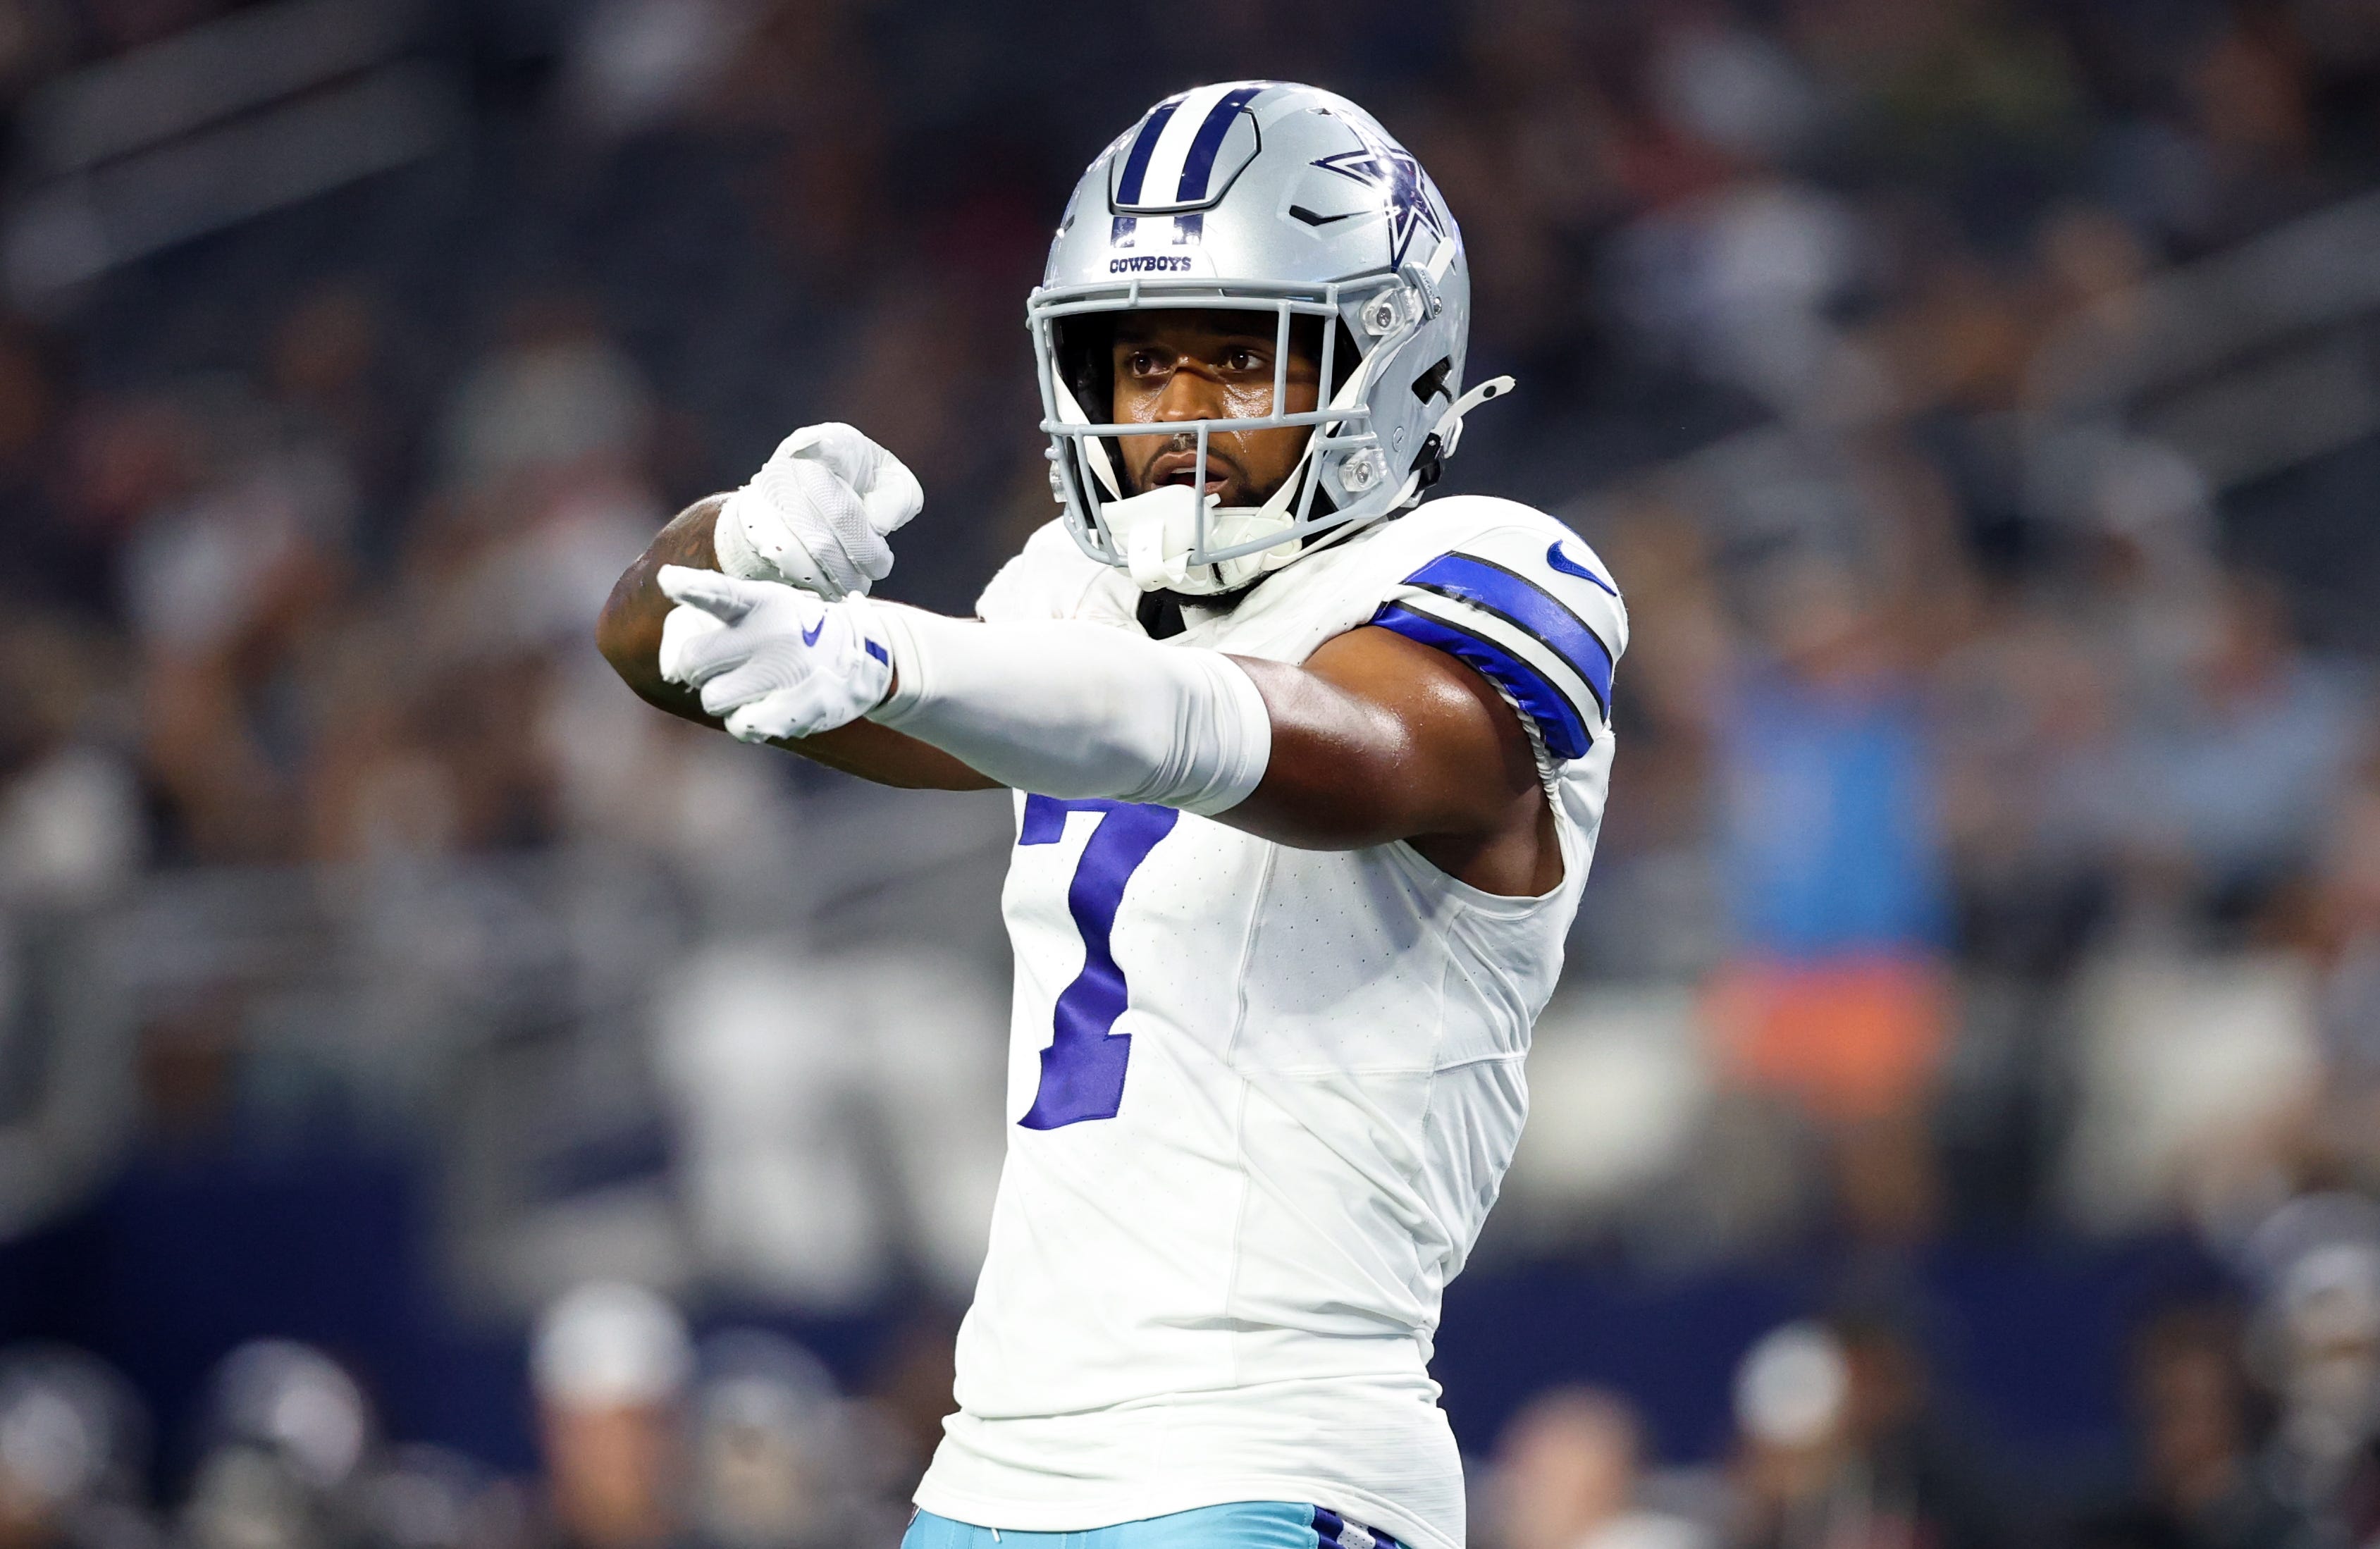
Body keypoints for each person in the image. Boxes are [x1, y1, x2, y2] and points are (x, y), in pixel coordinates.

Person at [597, 80, 1629, 1549]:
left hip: (1272, 1450)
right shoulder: (1066, 604)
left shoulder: (1496, 570)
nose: (1182, 418)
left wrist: (900, 650)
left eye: (1238, 356)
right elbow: (660, 651)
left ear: (1387, 356)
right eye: (1142, 363)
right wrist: (736, 542)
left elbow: (1310, 748)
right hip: (989, 1469)